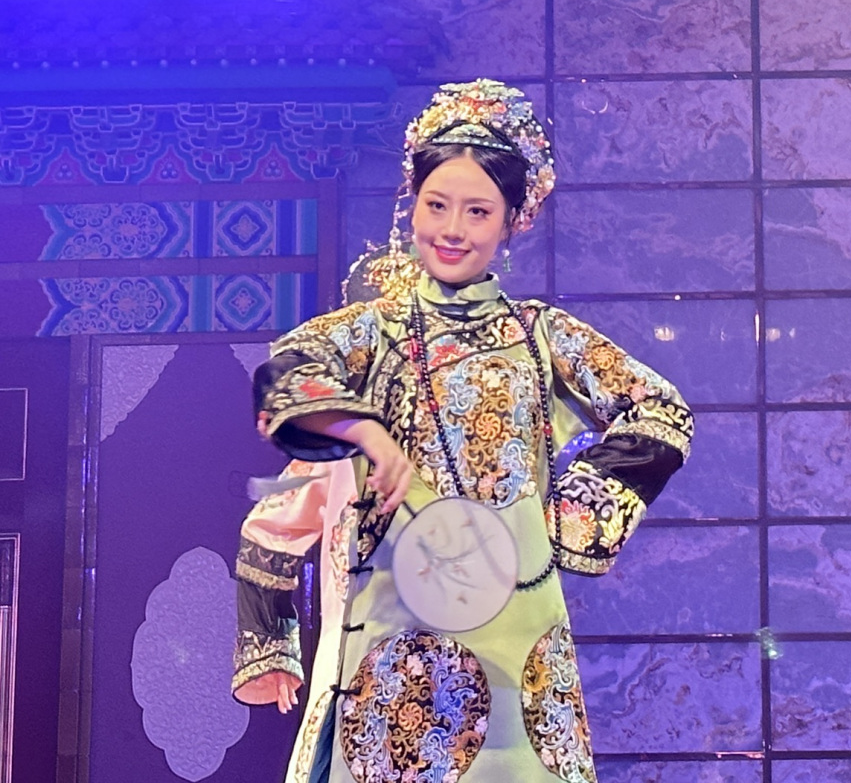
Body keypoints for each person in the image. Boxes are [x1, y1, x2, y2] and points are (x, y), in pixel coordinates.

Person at [231, 79, 694, 783]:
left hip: (517, 629)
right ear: (412, 205)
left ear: (513, 221)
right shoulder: (373, 332)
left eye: (477, 211)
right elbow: (286, 375)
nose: (452, 228)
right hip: (396, 640)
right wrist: (368, 432)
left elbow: (661, 410)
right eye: (436, 204)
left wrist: (566, 520)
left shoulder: (540, 335)